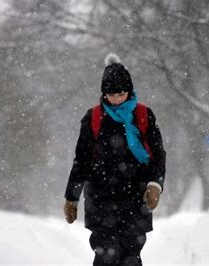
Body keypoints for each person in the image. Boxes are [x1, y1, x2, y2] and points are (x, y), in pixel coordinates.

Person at [63, 53, 166, 266]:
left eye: (121, 93)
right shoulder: (93, 118)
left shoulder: (144, 115)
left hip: (136, 199)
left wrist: (155, 184)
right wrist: (71, 197)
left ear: (129, 91)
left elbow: (157, 155)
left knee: (131, 256)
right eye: (112, 95)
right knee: (105, 256)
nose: (117, 99)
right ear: (104, 94)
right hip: (101, 201)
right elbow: (81, 161)